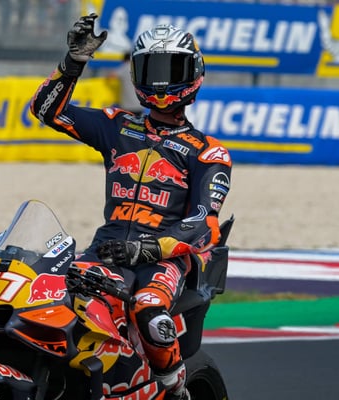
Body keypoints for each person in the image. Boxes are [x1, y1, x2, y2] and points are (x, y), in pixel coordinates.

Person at [30, 14, 232, 400]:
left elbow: (203, 223)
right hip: (106, 250)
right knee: (50, 299)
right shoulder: (116, 125)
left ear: (194, 74)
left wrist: (148, 249)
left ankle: (176, 389)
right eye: (152, 69)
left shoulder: (208, 152)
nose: (161, 82)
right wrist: (73, 63)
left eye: (172, 70)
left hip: (164, 260)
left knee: (150, 311)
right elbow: (46, 111)